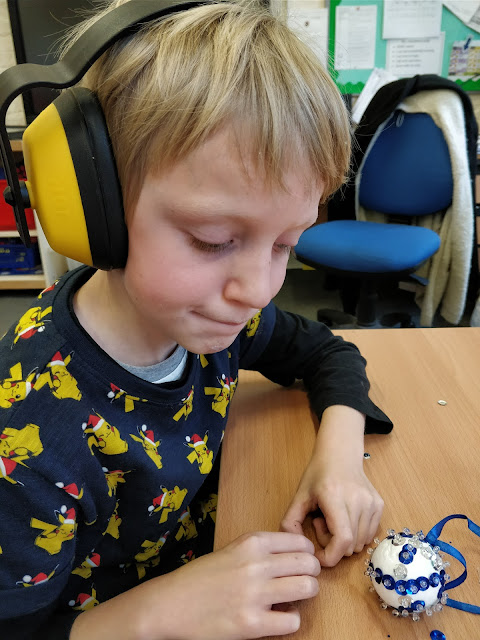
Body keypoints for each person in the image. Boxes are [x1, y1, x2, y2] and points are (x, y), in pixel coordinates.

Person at [0, 1, 392, 638]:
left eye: (287, 243)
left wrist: (339, 457)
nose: (260, 289)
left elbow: (328, 353)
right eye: (213, 240)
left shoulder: (209, 319)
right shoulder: (27, 435)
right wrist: (161, 612)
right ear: (92, 209)